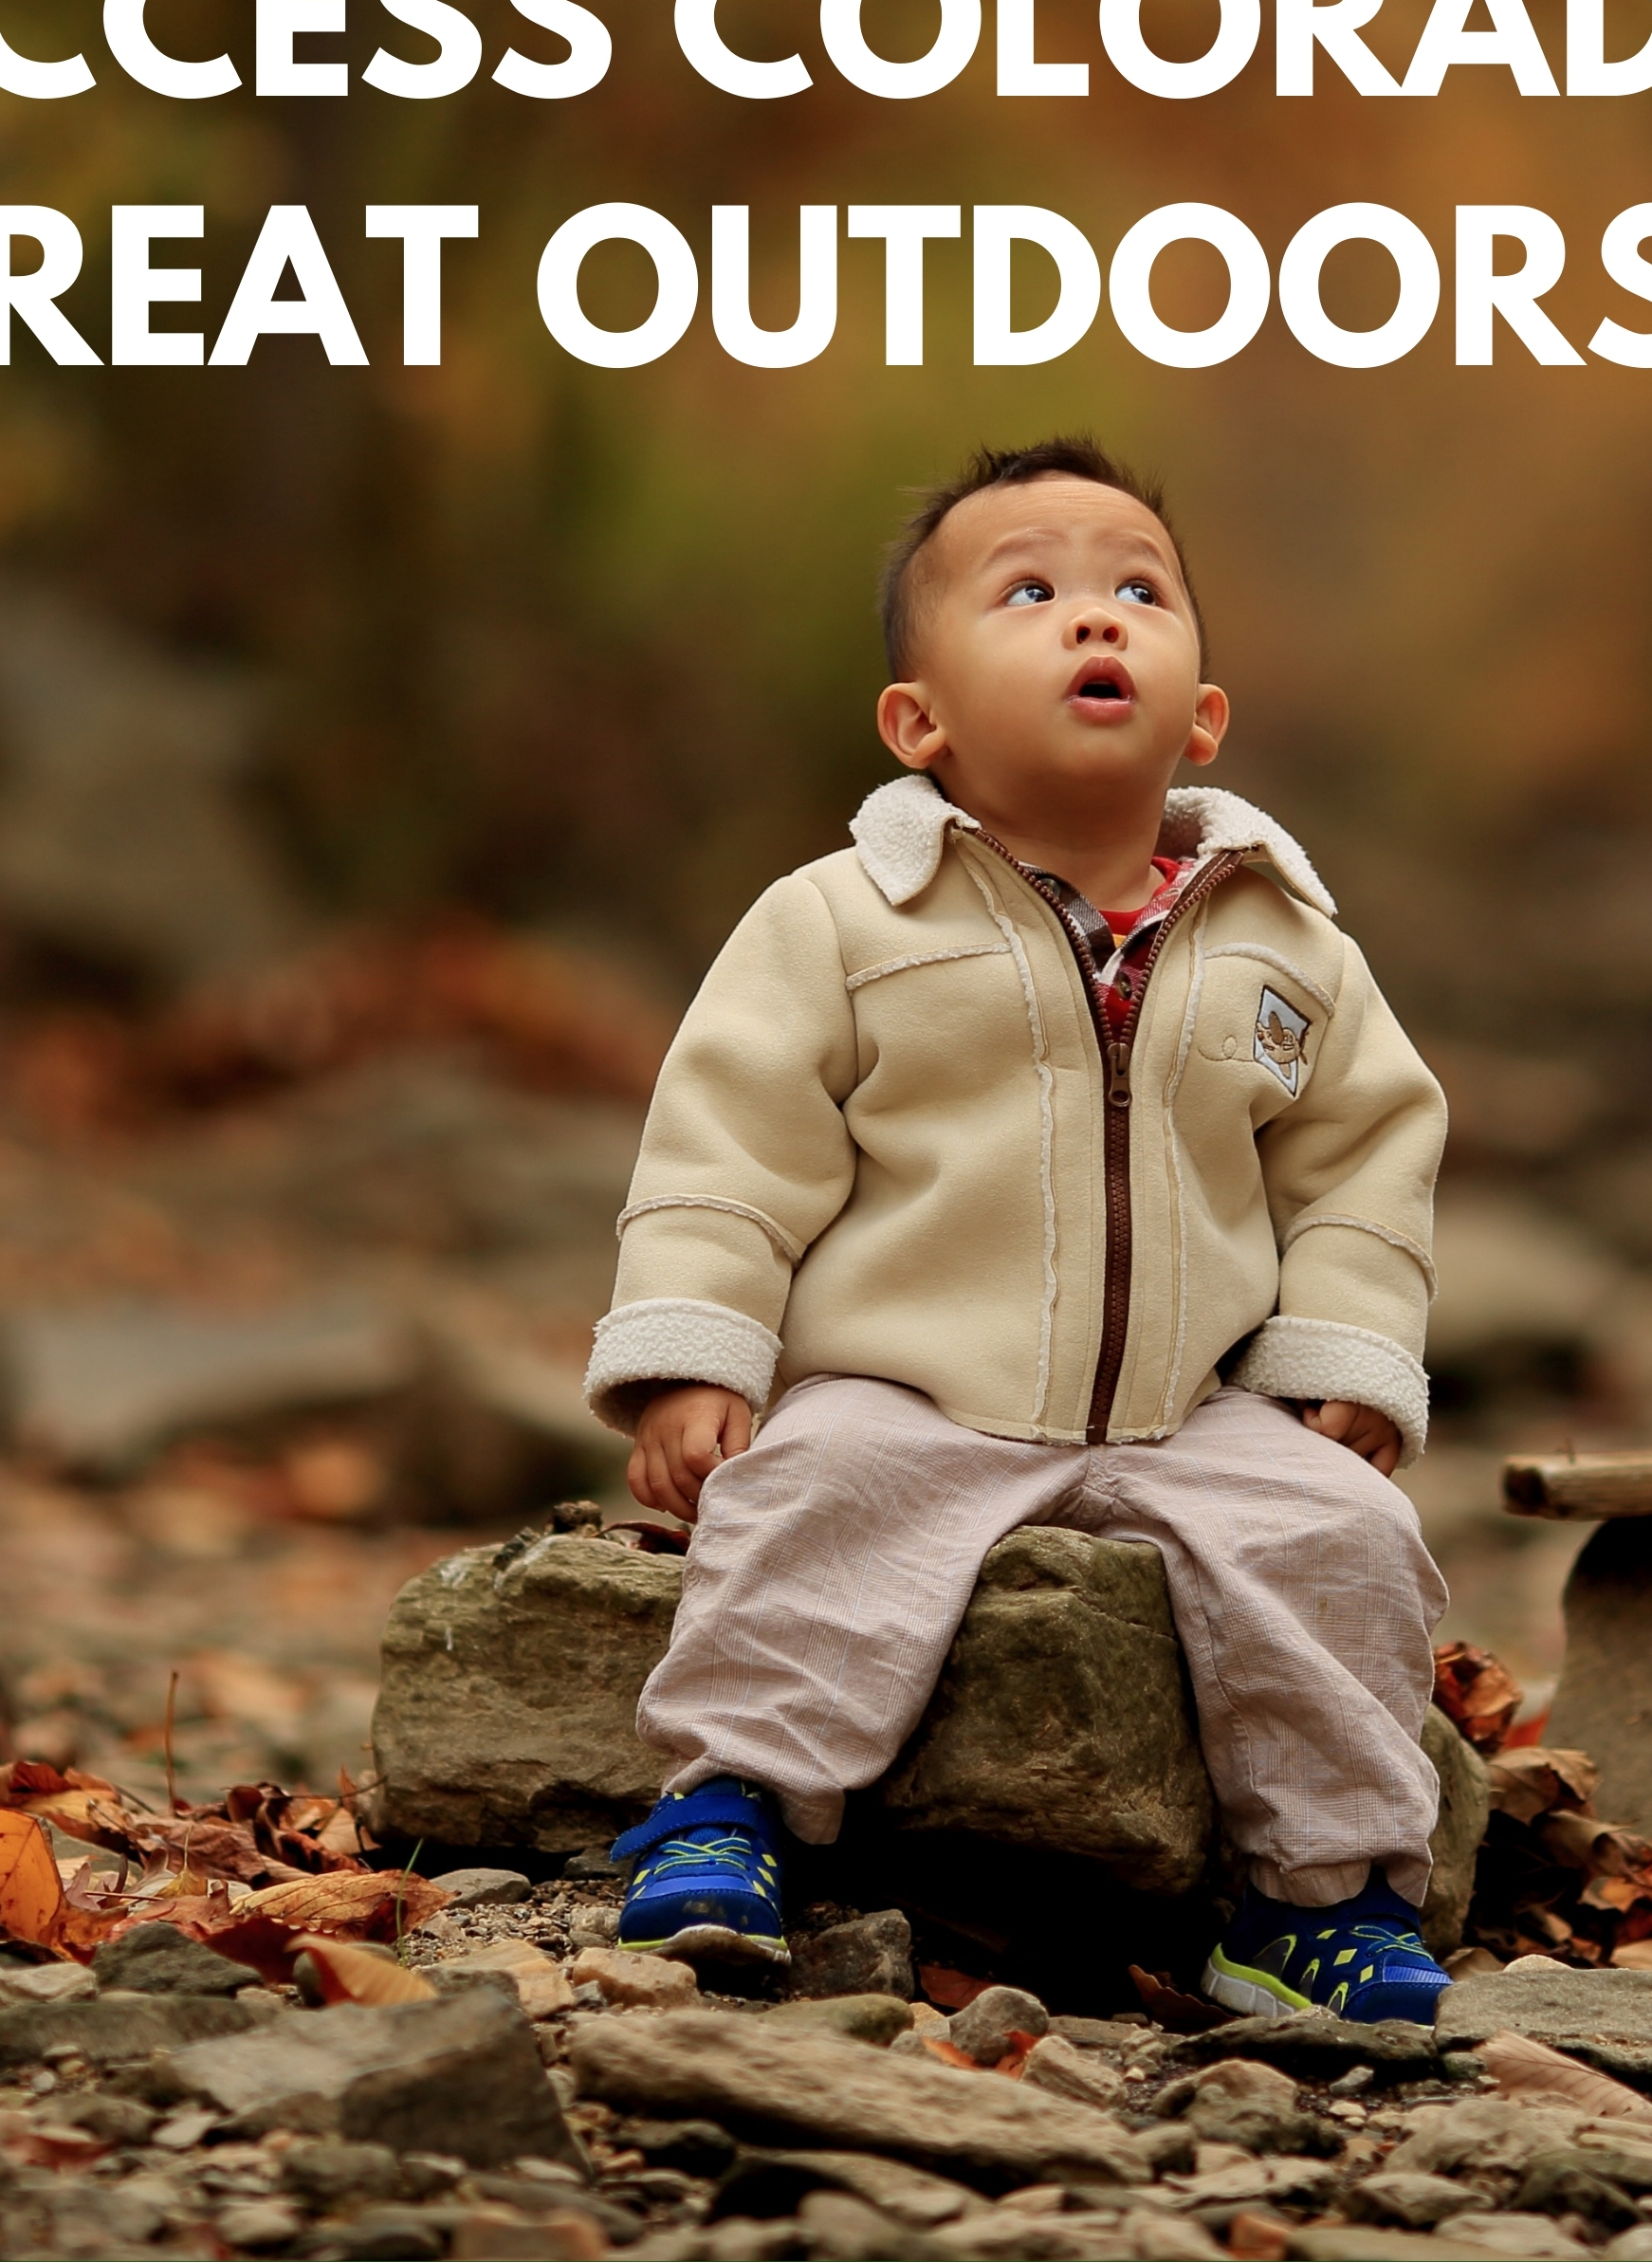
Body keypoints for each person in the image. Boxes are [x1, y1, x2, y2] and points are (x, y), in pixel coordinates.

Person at [584, 436, 1452, 2024]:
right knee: (806, 1497)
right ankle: (731, 1809)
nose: (1094, 619)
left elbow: (1363, 1156)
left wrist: (1340, 1358)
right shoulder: (843, 918)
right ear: (918, 724)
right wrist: (696, 1353)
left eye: (1138, 590)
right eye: (1031, 592)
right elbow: (730, 1141)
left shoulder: (1287, 940)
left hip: (1196, 1411)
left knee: (1347, 1543)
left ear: (1204, 714)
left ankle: (1317, 1899)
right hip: (909, 1387)